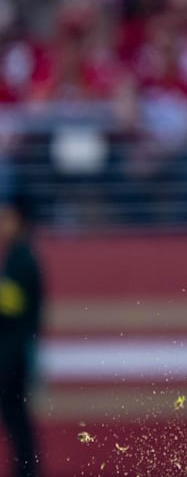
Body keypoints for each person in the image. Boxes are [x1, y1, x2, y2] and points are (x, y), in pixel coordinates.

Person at [0, 194, 42, 477]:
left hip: (15, 354)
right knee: (15, 418)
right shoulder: (15, 256)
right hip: (13, 352)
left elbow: (14, 305)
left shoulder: (22, 259)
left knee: (17, 418)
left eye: (7, 218)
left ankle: (26, 471)